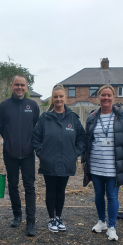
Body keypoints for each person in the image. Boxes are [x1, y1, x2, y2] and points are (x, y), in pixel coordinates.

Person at [82, 85, 123, 241]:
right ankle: (102, 222)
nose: (106, 98)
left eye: (108, 95)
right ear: (98, 97)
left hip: (114, 165)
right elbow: (86, 141)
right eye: (103, 95)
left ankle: (112, 227)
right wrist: (84, 160)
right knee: (98, 194)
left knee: (112, 196)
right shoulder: (92, 117)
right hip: (96, 163)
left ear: (113, 97)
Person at [33, 84, 85, 233]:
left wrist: (75, 153)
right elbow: (35, 138)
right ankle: (51, 219)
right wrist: (41, 153)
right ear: (52, 98)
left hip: (66, 161)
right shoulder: (45, 118)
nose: (58, 99)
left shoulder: (72, 118)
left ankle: (59, 217)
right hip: (49, 161)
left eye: (61, 96)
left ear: (65, 98)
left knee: (61, 190)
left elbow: (82, 137)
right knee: (51, 189)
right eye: (55, 96)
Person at [0, 75, 40, 236]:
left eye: (22, 85)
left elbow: (37, 127)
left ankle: (31, 221)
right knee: (13, 185)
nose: (19, 87)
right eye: (17, 85)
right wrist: (9, 140)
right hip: (10, 153)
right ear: (11, 85)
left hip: (29, 154)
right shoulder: (4, 106)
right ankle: (17, 215)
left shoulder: (33, 105)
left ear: (27, 87)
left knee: (29, 187)